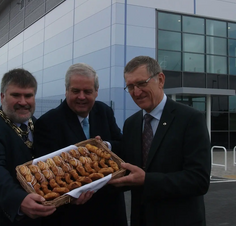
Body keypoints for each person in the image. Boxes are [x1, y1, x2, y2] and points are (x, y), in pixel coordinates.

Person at [109, 56, 211, 226]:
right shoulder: (131, 124)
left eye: (141, 84)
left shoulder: (190, 119)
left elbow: (199, 180)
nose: (136, 92)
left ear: (160, 80)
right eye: (130, 86)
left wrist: (147, 180)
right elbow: (129, 171)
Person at [34, 63, 128, 226]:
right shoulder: (48, 123)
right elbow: (45, 175)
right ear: (67, 90)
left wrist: (105, 146)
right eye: (76, 91)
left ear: (96, 92)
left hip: (110, 212)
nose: (82, 97)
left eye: (88, 91)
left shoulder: (104, 111)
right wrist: (70, 196)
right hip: (71, 215)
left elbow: (122, 145)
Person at [0, 68, 57, 226]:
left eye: (28, 95)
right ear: (2, 97)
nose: (23, 102)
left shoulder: (36, 124)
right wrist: (18, 199)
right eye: (16, 95)